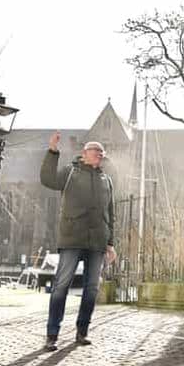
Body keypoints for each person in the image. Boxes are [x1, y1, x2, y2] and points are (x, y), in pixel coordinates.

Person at [40, 133, 117, 352]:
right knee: (61, 285)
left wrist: (110, 243)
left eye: (102, 153)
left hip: (97, 242)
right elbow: (48, 180)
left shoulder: (106, 180)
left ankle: (82, 332)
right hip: (72, 237)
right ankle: (52, 335)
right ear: (84, 154)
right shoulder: (70, 172)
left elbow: (111, 214)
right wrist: (53, 151)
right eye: (96, 151)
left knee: (92, 288)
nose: (100, 155)